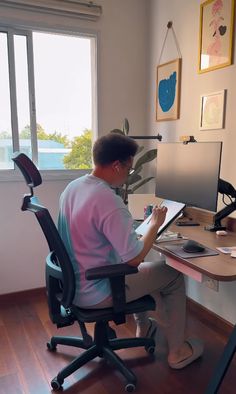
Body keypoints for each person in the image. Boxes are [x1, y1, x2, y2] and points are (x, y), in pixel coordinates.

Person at [58, 132, 203, 369]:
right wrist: (154, 225)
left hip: (74, 284)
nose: (128, 175)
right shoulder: (107, 199)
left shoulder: (73, 187)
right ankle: (177, 352)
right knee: (173, 275)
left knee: (150, 273)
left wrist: (137, 230)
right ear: (117, 165)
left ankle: (143, 327)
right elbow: (134, 259)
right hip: (98, 290)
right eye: (128, 169)